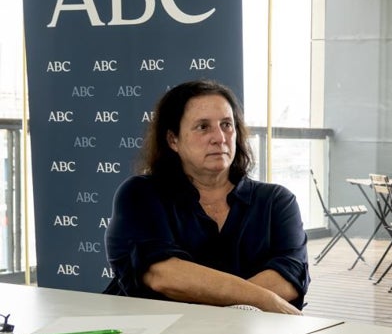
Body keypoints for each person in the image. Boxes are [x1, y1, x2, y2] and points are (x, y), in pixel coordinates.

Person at [105, 79, 309, 313]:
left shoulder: (277, 201)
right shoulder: (141, 194)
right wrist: (264, 301)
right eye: (203, 127)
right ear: (173, 140)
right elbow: (162, 275)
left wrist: (224, 310)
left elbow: (289, 278)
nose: (219, 138)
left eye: (226, 125)